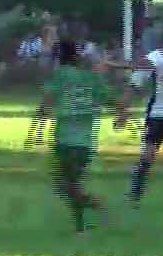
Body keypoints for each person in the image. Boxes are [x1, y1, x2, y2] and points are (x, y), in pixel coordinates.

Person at [27, 39, 127, 233]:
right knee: (71, 184)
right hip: (85, 141)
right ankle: (81, 225)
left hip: (64, 138)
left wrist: (36, 132)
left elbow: (46, 104)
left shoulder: (60, 76)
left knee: (66, 185)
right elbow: (118, 103)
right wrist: (120, 120)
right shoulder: (92, 79)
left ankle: (95, 209)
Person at [104, 29, 163, 208]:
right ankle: (135, 194)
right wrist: (123, 112)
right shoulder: (156, 57)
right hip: (159, 114)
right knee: (147, 157)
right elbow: (134, 84)